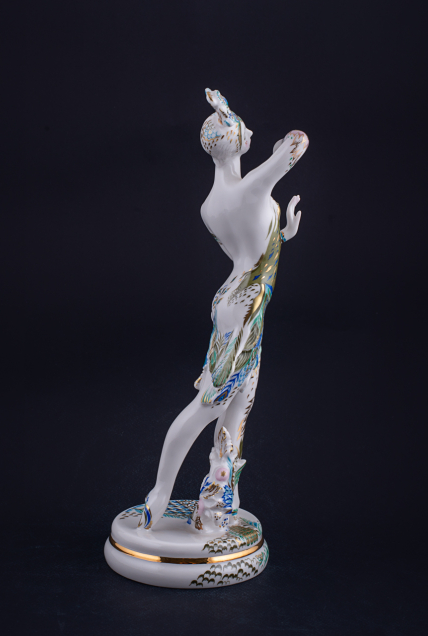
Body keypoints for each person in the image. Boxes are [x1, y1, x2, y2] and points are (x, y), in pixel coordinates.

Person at [141, 88, 309, 531]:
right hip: (246, 306)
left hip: (234, 301)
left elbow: (246, 249)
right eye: (243, 127)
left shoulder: (210, 207)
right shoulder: (252, 186)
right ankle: (160, 490)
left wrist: (282, 235)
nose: (251, 129)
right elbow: (298, 142)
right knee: (210, 404)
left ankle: (216, 505)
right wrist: (276, 146)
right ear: (234, 139)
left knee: (238, 405)